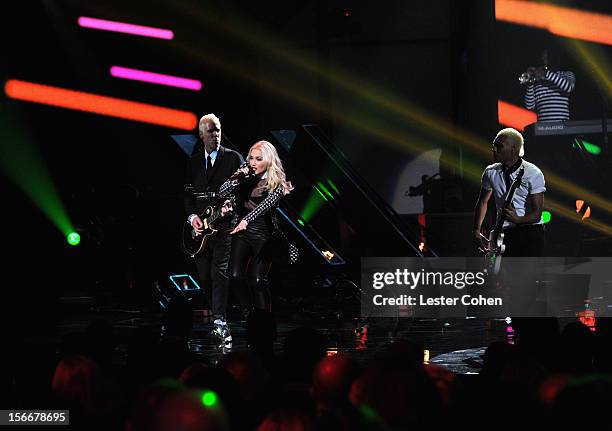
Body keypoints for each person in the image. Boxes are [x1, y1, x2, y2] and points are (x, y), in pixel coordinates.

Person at [184, 113, 243, 347]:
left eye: (218, 130)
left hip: (224, 227)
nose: (215, 135)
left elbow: (241, 192)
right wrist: (192, 218)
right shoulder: (194, 161)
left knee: (219, 272)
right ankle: (219, 315)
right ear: (201, 134)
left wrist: (232, 207)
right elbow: (187, 194)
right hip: (200, 231)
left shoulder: (233, 158)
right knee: (204, 276)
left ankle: (219, 321)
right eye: (210, 131)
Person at [218, 140, 293, 315]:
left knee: (258, 279)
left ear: (268, 160)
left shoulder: (277, 184)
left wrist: (246, 220)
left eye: (258, 159)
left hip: (264, 234)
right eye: (251, 158)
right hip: (242, 232)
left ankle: (264, 319)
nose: (253, 162)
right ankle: (249, 314)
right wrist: (236, 178)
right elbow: (221, 192)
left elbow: (264, 206)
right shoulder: (245, 179)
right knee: (234, 276)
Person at [473, 128, 546, 257]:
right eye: (493, 146)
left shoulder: (533, 173)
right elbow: (483, 202)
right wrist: (476, 229)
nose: (494, 149)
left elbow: (537, 215)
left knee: (528, 275)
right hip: (504, 232)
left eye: (499, 146)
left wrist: (518, 219)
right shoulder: (490, 172)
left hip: (530, 232)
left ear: (514, 149)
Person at [522, 49, 575, 122]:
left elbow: (568, 87)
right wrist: (530, 84)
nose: (544, 60)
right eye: (543, 57)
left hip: (562, 125)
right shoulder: (537, 80)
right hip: (543, 128)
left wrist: (546, 74)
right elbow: (529, 106)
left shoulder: (567, 74)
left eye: (547, 57)